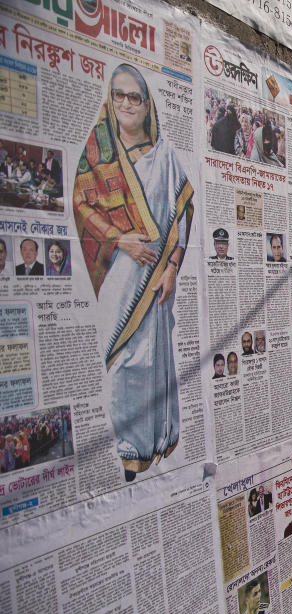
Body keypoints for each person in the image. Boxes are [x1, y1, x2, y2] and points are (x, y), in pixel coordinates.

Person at [73, 64, 194, 481]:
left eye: (135, 97)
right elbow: (82, 205)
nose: (126, 103)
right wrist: (120, 239)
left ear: (147, 105)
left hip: (157, 283)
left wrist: (172, 269)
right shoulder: (98, 152)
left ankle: (156, 443)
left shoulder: (165, 157)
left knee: (154, 359)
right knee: (124, 362)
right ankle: (128, 451)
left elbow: (183, 214)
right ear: (110, 98)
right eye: (119, 95)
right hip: (118, 279)